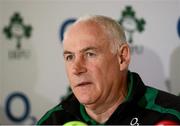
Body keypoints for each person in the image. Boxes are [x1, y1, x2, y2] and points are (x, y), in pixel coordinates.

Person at [37, 15, 180, 125]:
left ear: (122, 57)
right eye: (69, 57)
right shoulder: (52, 121)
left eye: (90, 54)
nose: (76, 69)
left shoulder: (172, 115)